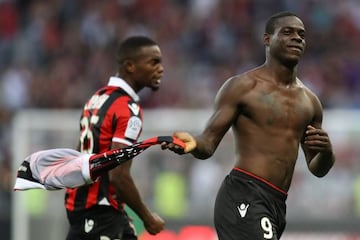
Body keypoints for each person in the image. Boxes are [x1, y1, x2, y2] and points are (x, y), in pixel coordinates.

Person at [162, 11, 335, 240]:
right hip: (244, 193)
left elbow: (317, 168)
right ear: (267, 39)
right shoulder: (243, 87)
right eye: (287, 32)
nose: (297, 38)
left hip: (276, 203)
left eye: (301, 34)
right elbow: (208, 143)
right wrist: (193, 143)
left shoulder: (310, 102)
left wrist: (327, 152)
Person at [64, 36, 166, 240]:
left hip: (78, 209)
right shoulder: (127, 108)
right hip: (102, 213)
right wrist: (148, 218)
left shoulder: (96, 98)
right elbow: (119, 175)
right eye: (153, 62)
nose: (161, 68)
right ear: (130, 66)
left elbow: (79, 155)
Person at [13, 136, 185, 191]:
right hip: (98, 213)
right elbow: (111, 166)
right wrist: (152, 141)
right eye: (153, 62)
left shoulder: (93, 102)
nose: (159, 69)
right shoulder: (70, 173)